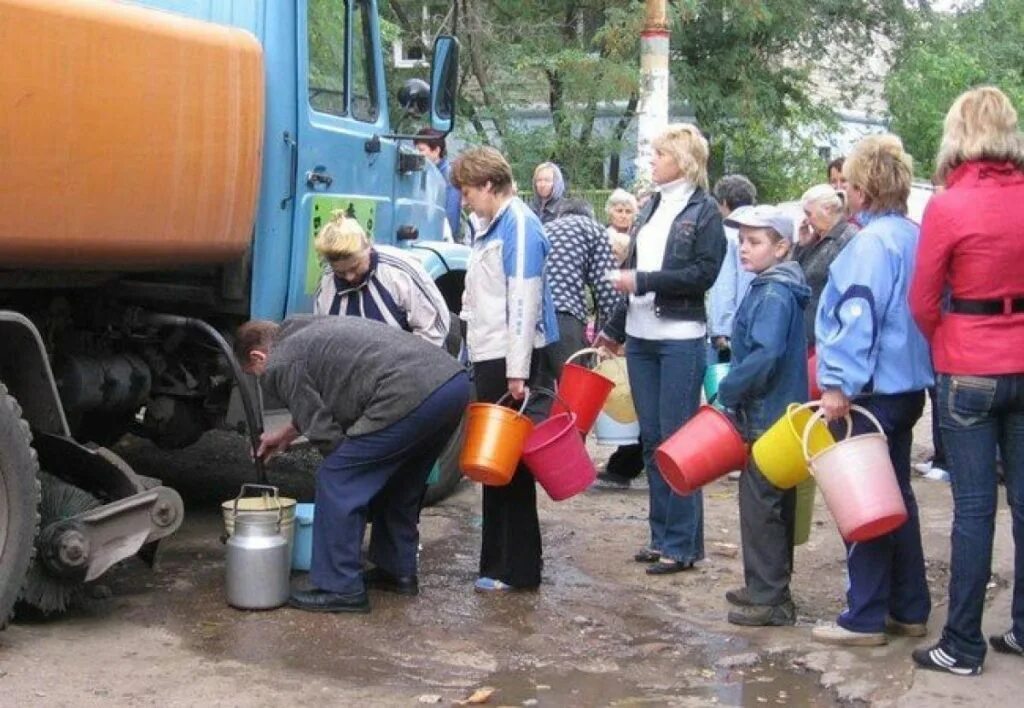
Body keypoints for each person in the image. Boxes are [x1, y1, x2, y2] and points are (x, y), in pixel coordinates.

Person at [237, 316, 470, 613]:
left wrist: (344, 466)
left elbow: (323, 431)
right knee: (400, 480)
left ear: (258, 356)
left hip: (408, 391)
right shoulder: (300, 330)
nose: (261, 378)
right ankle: (396, 570)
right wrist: (288, 433)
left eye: (255, 372)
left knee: (337, 478)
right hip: (450, 383)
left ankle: (340, 588)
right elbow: (325, 389)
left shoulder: (280, 361)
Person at [909, 86, 1024, 676]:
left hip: (970, 363)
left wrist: (949, 337)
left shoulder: (949, 205)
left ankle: (963, 644)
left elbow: (923, 299)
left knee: (975, 510)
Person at [811, 134, 934, 647]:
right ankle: (909, 607)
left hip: (871, 392)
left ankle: (863, 616)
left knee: (862, 502)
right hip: (908, 387)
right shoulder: (913, 234)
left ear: (861, 189)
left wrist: (838, 383)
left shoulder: (868, 245)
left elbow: (857, 314)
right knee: (898, 497)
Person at [595, 123, 726, 575]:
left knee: (677, 441)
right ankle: (660, 535)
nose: (650, 161)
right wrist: (613, 328)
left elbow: (703, 275)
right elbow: (632, 271)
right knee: (651, 439)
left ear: (683, 160)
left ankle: (683, 544)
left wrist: (644, 282)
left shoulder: (705, 212)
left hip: (680, 339)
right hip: (641, 336)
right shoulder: (650, 207)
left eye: (658, 155)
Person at [450, 146, 560, 592]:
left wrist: (517, 370)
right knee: (493, 463)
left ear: (489, 186)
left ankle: (518, 569)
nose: (464, 200)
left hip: (514, 357)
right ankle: (494, 564)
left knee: (510, 465)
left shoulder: (518, 224)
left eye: (468, 191)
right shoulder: (487, 227)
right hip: (490, 353)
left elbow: (523, 299)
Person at [716, 205, 809, 627]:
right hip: (778, 412)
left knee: (761, 504)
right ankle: (767, 586)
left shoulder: (773, 292)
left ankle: (770, 597)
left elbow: (764, 354)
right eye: (741, 241)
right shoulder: (775, 285)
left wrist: (728, 389)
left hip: (767, 413)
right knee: (772, 502)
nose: (743, 249)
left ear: (782, 246)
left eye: (754, 242)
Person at [312, 212, 451, 348]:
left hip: (408, 361)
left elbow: (434, 329)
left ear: (368, 248)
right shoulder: (327, 283)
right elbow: (324, 338)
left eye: (355, 267)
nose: (349, 277)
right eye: (340, 272)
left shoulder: (399, 271)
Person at [539, 198, 620, 382]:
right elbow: (607, 287)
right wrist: (612, 332)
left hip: (532, 316)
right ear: (590, 214)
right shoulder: (593, 228)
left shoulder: (545, 228)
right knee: (573, 387)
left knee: (540, 392)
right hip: (564, 315)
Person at [596, 188, 644, 490]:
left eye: (629, 210)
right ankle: (627, 458)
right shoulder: (604, 239)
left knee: (633, 395)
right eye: (619, 210)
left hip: (635, 327)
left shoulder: (639, 241)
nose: (623, 215)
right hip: (623, 324)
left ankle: (629, 460)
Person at [792, 184, 858, 350]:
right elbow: (793, 274)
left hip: (827, 335)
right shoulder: (817, 239)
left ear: (827, 209)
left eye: (809, 214)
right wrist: (802, 246)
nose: (806, 220)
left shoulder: (847, 238)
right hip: (808, 331)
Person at [708, 175, 758, 357]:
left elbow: (724, 282)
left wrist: (721, 329)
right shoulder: (765, 227)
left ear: (723, 202)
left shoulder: (727, 233)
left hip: (733, 329)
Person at [414, 128, 463, 242]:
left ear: (436, 150)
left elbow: (451, 214)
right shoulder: (424, 172)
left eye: (421, 150)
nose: (417, 154)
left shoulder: (448, 177)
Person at [605, 188, 639, 264]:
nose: (624, 216)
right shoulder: (603, 235)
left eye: (628, 212)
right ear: (610, 213)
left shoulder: (638, 236)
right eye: (619, 211)